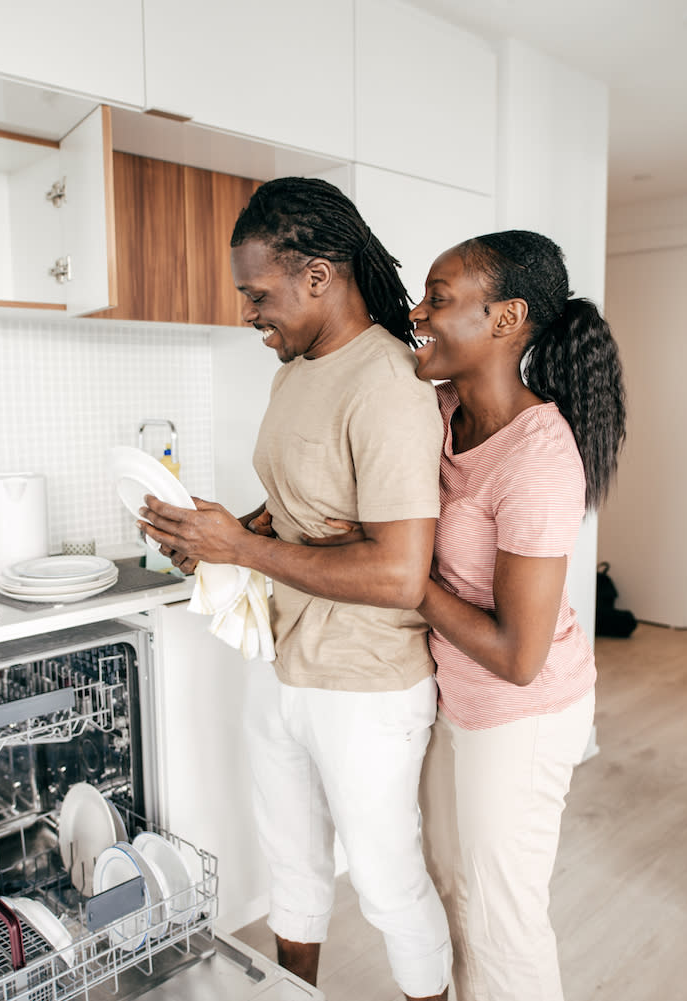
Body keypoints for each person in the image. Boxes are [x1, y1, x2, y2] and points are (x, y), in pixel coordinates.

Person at [138, 177, 453, 1001]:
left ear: (318, 276)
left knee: (387, 887)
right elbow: (291, 512)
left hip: (365, 685)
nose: (249, 312)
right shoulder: (297, 371)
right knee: (292, 868)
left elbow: (396, 571)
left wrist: (241, 542)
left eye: (258, 293)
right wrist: (215, 541)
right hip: (285, 663)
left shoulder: (387, 382)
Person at [309, 230, 626, 1000]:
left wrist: (405, 580)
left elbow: (519, 656)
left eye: (439, 299)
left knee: (503, 919)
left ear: (506, 318)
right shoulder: (443, 409)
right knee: (452, 886)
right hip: (457, 697)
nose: (418, 312)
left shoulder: (540, 458)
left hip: (522, 709)